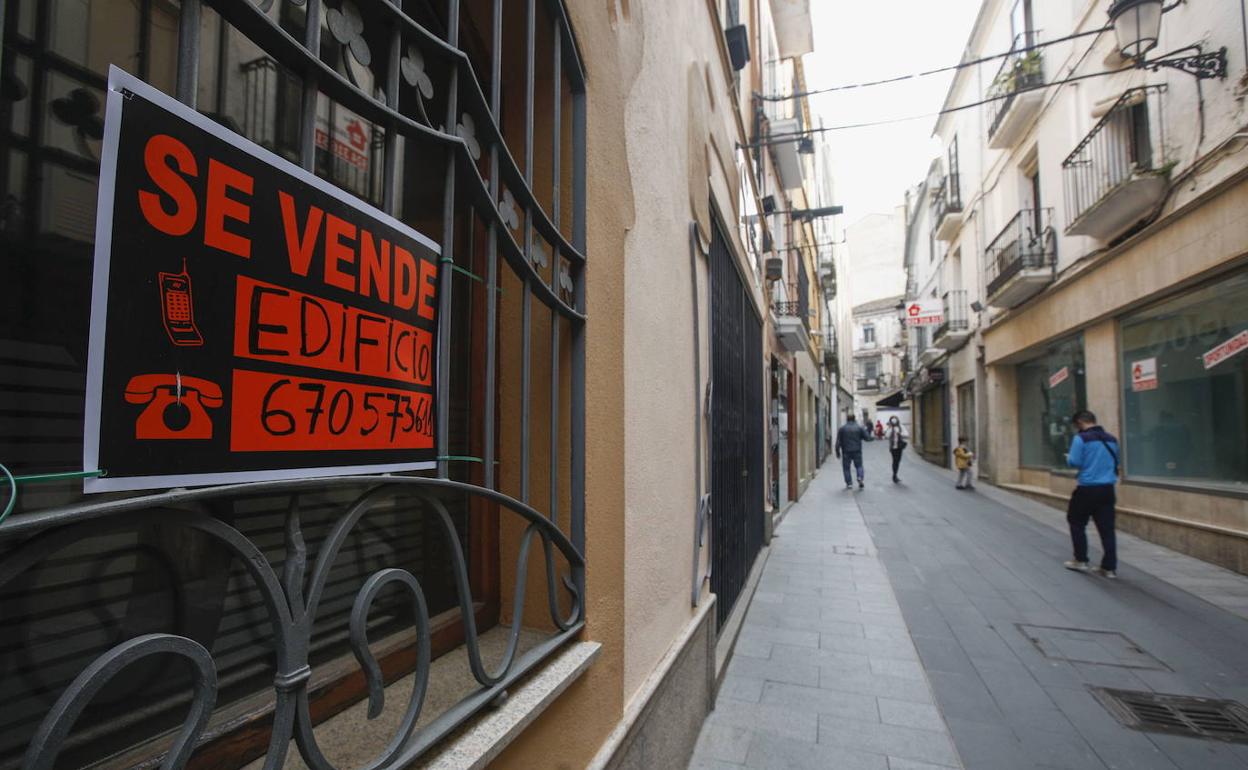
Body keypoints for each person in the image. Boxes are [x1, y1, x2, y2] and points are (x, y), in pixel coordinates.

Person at [1063, 410, 1120, 579]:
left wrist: (1068, 457)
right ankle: (1109, 567)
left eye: (1077, 426)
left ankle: (1081, 559)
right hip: (1107, 489)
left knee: (1076, 522)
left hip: (1087, 488)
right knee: (1107, 529)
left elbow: (1075, 462)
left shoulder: (1081, 438)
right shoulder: (1111, 439)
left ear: (1080, 423)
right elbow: (1116, 461)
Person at [835, 414, 872, 490]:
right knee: (859, 466)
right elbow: (867, 438)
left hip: (846, 451)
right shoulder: (859, 428)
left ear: (847, 419)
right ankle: (860, 477)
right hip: (857, 450)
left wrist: (837, 451)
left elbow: (838, 441)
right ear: (854, 419)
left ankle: (849, 483)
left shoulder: (842, 429)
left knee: (846, 468)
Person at [885, 416, 908, 483]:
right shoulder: (890, 427)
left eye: (895, 420)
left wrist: (899, 433)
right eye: (892, 421)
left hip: (899, 447)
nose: (894, 422)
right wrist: (890, 429)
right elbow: (886, 436)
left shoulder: (901, 426)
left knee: (898, 461)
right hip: (893, 448)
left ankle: (895, 474)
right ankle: (894, 475)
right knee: (895, 461)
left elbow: (906, 434)